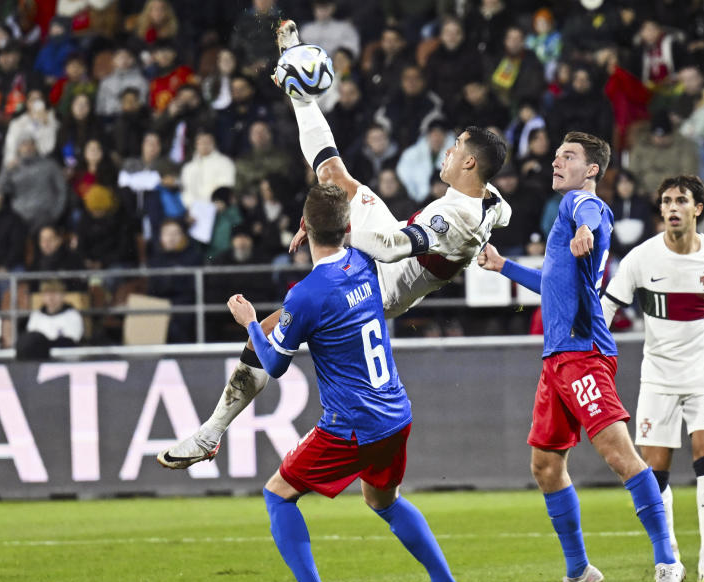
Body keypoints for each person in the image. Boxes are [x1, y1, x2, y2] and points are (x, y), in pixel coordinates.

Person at [158, 20, 510, 475]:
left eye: (455, 147)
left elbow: (388, 249)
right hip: (392, 241)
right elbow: (501, 214)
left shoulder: (455, 217)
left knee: (267, 330)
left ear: (468, 161)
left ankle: (210, 434)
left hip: (383, 283)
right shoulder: (489, 201)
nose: (445, 152)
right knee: (334, 175)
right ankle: (299, 88)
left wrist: (330, 226)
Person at [209, 184, 470, 582]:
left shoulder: (305, 295)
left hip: (351, 424)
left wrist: (251, 322)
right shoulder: (365, 262)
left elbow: (272, 364)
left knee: (278, 494)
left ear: (305, 229)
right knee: (383, 499)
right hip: (395, 412)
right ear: (349, 228)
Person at [477, 131, 685, 582]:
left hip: (582, 353)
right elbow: (552, 281)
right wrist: (504, 265)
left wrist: (586, 229)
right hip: (557, 358)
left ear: (591, 169)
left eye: (567, 157)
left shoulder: (581, 206)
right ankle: (579, 572)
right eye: (556, 155)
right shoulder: (567, 215)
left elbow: (593, 212)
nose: (556, 162)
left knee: (619, 455)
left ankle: (667, 561)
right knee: (546, 466)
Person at [599, 174, 704, 582]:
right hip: (657, 376)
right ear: (660, 210)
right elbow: (606, 309)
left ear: (698, 209)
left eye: (681, 201)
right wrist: (590, 356)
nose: (672, 207)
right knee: (655, 471)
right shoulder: (641, 259)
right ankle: (671, 552)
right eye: (667, 201)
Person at [16, 279, 84, 360]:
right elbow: (31, 340)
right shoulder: (36, 316)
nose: (51, 297)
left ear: (63, 295)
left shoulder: (73, 316)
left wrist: (45, 345)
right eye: (47, 293)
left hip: (65, 360)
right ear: (42, 296)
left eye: (55, 292)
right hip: (40, 360)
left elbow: (72, 341)